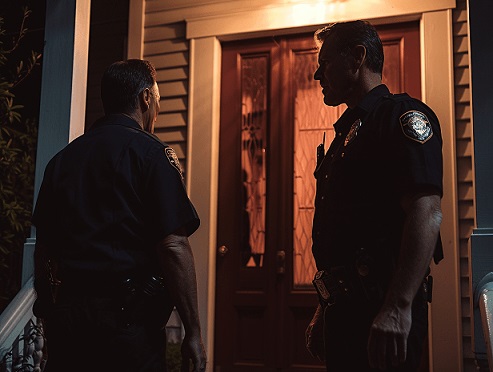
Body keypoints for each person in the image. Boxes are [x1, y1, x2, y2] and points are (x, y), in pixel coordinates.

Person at [32, 59, 207, 372]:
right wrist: (193, 330)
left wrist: (49, 309)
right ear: (145, 98)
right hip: (127, 326)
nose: (157, 110)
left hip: (70, 321)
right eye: (158, 100)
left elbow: (44, 249)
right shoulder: (151, 154)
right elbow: (173, 246)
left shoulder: (62, 160)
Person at [304, 20, 443, 371]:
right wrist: (326, 307)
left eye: (325, 62)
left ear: (357, 57)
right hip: (346, 309)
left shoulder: (400, 118)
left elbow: (425, 212)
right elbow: (346, 236)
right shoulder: (347, 132)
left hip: (383, 308)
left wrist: (397, 308)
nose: (318, 75)